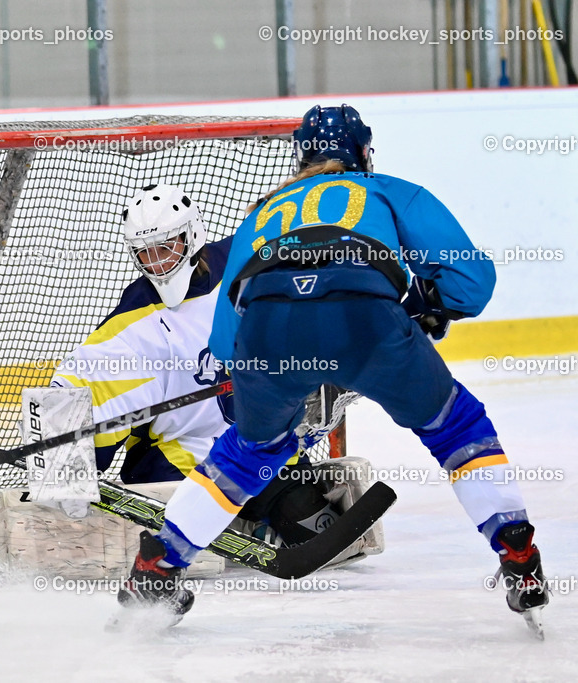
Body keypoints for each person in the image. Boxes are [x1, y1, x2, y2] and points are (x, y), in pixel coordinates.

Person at [116, 105, 549, 632]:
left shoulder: (264, 209)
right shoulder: (387, 189)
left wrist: (250, 395)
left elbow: (227, 336)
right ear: (364, 151)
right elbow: (471, 282)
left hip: (267, 330)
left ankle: (161, 564)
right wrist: (424, 306)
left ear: (301, 156)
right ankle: (515, 550)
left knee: (247, 454)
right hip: (366, 319)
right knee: (456, 425)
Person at [50, 183, 353, 549]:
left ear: (191, 235)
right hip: (178, 458)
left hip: (256, 444)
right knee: (172, 543)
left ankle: (245, 523)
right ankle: (225, 525)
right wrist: (67, 467)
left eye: (166, 246)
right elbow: (74, 387)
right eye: (145, 253)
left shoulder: (246, 262)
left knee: (320, 537)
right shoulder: (136, 320)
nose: (158, 261)